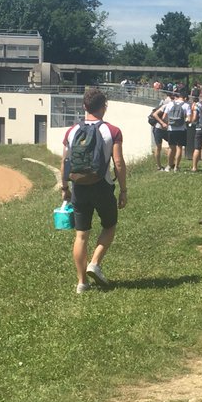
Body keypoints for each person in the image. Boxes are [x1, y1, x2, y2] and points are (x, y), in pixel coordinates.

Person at [61, 87, 127, 294]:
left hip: (78, 186)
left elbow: (64, 162)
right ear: (104, 107)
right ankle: (95, 263)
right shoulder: (112, 131)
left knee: (81, 235)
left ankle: (82, 283)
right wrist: (123, 190)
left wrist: (65, 187)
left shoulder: (71, 131)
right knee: (109, 226)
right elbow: (118, 162)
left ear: (84, 106)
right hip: (102, 185)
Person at [152, 91, 189, 172]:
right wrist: (163, 123)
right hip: (160, 128)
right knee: (160, 147)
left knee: (172, 146)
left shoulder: (170, 105)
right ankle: (159, 166)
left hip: (169, 129)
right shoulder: (166, 105)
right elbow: (155, 114)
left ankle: (170, 164)